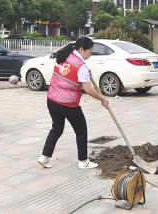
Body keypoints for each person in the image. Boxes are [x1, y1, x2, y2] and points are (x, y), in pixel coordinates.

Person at [38, 37, 109, 169]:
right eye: (90, 52)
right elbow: (89, 90)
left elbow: (69, 76)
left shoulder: (64, 56)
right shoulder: (81, 66)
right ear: (81, 49)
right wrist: (103, 99)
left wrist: (85, 75)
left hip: (52, 100)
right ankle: (83, 161)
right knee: (81, 130)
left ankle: (44, 157)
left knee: (56, 129)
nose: (90, 55)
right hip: (67, 103)